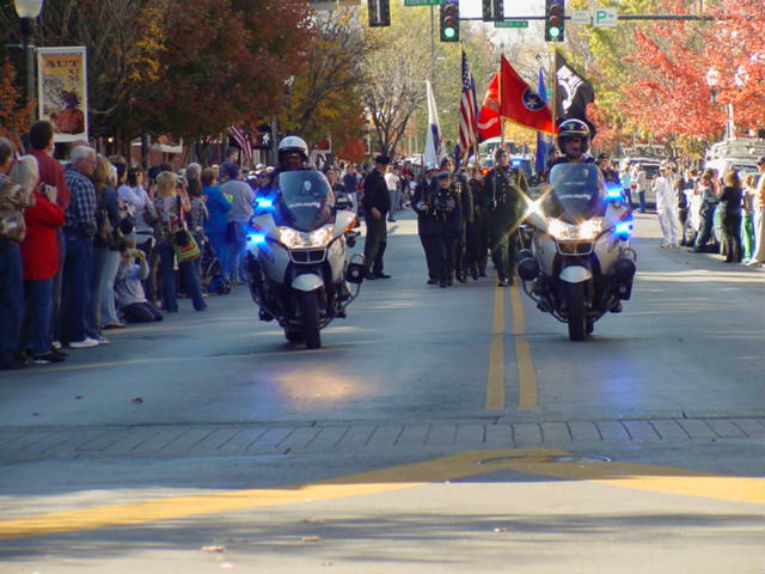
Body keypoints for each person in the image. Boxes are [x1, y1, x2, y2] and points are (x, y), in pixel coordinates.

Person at [18, 156, 67, 363]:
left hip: (30, 257)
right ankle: (39, 345)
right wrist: (53, 201)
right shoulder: (32, 200)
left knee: (29, 304)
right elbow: (57, 217)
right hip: (39, 259)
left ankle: (32, 343)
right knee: (41, 304)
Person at [27, 120, 70, 351]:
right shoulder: (53, 166)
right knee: (49, 291)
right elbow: (62, 203)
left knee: (24, 295)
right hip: (48, 233)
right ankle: (46, 337)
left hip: (23, 234)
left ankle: (26, 338)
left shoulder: (23, 163)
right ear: (50, 140)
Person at [62, 145, 100, 348]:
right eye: (91, 161)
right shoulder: (83, 183)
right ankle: (77, 333)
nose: (94, 166)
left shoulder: (62, 177)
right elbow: (87, 218)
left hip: (61, 235)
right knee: (79, 288)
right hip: (78, 238)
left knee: (63, 289)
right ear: (80, 162)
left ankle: (61, 332)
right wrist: (93, 232)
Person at [2, 147, 37, 369]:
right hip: (6, 244)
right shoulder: (10, 186)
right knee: (11, 300)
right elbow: (30, 199)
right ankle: (6, 350)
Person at [154, 171, 206, 312]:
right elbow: (188, 209)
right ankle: (198, 302)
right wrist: (183, 192)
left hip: (164, 237)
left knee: (167, 271)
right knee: (189, 269)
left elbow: (154, 217)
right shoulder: (179, 197)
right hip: (181, 236)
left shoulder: (156, 200)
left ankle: (170, 304)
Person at [486, 148, 525, 286]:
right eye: (500, 157)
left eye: (505, 156)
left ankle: (510, 273)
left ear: (509, 158)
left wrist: (523, 212)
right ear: (496, 159)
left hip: (513, 213)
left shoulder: (517, 173)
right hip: (498, 214)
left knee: (512, 245)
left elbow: (524, 193)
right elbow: (486, 193)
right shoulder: (491, 174)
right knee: (499, 245)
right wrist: (489, 204)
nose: (503, 159)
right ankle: (502, 275)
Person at [220, 161, 254, 285]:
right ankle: (241, 275)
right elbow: (253, 200)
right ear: (238, 173)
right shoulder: (244, 186)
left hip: (228, 221)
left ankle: (230, 274)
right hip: (243, 220)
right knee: (242, 248)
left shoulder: (223, 187)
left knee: (231, 249)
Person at [115, 242, 163, 323]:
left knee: (158, 316)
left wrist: (143, 260)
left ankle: (134, 314)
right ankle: (124, 315)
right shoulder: (119, 267)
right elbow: (120, 276)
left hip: (140, 299)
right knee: (148, 317)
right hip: (128, 301)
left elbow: (144, 275)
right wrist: (125, 263)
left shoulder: (136, 267)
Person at [429, 170, 461, 287]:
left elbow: (458, 212)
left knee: (451, 253)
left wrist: (458, 227)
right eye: (442, 180)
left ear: (450, 181)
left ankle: (449, 276)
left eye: (446, 180)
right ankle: (442, 278)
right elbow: (430, 210)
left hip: (450, 228)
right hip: (439, 227)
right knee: (441, 254)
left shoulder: (454, 195)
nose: (444, 183)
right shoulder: (434, 195)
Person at [362, 155, 392, 279]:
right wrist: (372, 208)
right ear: (380, 165)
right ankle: (366, 269)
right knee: (373, 242)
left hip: (381, 215)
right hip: (374, 214)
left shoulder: (380, 177)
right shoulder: (372, 177)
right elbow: (367, 197)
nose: (386, 168)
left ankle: (378, 268)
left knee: (382, 243)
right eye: (384, 165)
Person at [411, 162, 439, 284]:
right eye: (430, 171)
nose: (432, 174)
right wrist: (419, 208)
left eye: (434, 171)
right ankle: (433, 274)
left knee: (439, 249)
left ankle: (442, 274)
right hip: (425, 221)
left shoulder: (440, 185)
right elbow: (414, 201)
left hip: (437, 221)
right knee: (429, 249)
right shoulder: (420, 186)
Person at [465, 162, 489, 280]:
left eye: (477, 171)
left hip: (483, 217)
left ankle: (482, 268)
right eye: (473, 171)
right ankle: (473, 268)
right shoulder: (469, 184)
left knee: (483, 244)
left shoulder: (484, 184)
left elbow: (487, 198)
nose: (476, 174)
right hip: (473, 217)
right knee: (473, 244)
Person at [717, 170, 743, 263]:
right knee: (737, 234)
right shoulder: (739, 189)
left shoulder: (727, 189)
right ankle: (739, 255)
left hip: (727, 211)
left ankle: (730, 255)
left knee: (728, 234)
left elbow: (719, 198)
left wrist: (720, 187)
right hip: (737, 211)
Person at [690, 169, 718, 253]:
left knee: (704, 228)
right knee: (705, 227)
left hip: (706, 209)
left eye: (703, 179)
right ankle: (700, 244)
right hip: (711, 208)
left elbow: (703, 200)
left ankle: (698, 245)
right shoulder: (711, 188)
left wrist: (700, 209)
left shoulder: (707, 190)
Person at [744, 156, 765, 266]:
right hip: (760, 207)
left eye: (759, 164)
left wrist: (753, 191)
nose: (758, 167)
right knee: (759, 233)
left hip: (762, 207)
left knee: (761, 233)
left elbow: (761, 193)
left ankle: (758, 257)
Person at [653, 164, 679, 248]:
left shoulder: (671, 178)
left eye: (665, 170)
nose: (663, 172)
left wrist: (670, 172)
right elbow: (656, 188)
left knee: (673, 222)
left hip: (671, 203)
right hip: (662, 203)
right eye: (661, 171)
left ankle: (675, 241)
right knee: (663, 223)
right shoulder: (658, 180)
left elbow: (675, 180)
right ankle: (666, 241)